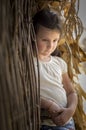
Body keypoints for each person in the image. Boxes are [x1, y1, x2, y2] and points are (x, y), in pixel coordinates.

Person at [32, 8, 78, 130]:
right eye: (45, 40)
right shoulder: (28, 63)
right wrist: (48, 105)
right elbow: (24, 93)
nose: (50, 45)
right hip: (45, 123)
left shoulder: (59, 63)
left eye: (55, 40)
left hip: (67, 121)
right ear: (32, 36)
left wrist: (70, 110)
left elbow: (71, 92)